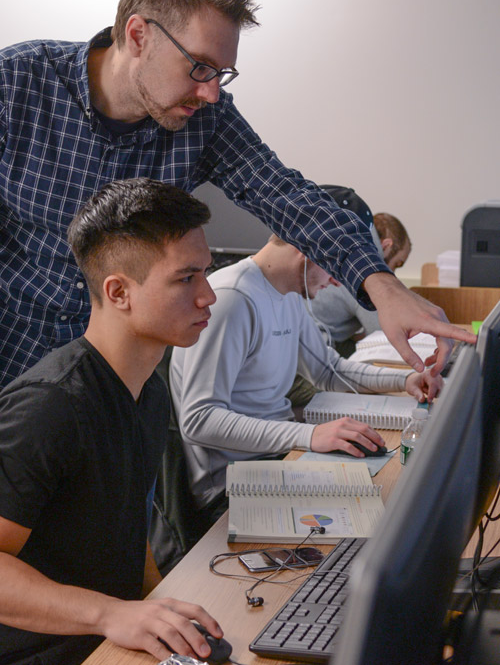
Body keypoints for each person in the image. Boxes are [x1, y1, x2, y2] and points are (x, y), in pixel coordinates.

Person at [0, 0, 474, 390]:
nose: (209, 93)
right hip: (13, 356)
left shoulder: (204, 119)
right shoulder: (17, 85)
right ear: (139, 35)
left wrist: (382, 285)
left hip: (111, 377)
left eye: (222, 74)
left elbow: (286, 195)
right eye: (200, 66)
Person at [0, 178, 223, 665]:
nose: (208, 296)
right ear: (119, 291)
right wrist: (110, 614)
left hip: (112, 643)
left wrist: (160, 607)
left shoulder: (150, 392)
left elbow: (124, 524)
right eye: (187, 278)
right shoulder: (50, 406)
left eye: (207, 273)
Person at [169, 234, 443, 521]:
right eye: (336, 270)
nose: (338, 283)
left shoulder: (287, 294)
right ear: (307, 249)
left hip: (279, 459)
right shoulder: (232, 299)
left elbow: (327, 370)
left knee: (394, 490)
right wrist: (310, 434)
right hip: (230, 488)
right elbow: (199, 419)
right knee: (381, 515)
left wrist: (406, 380)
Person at [312, 191, 412, 355]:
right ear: (385, 246)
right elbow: (381, 333)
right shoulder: (364, 271)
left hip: (323, 342)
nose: (393, 272)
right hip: (322, 348)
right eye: (397, 264)